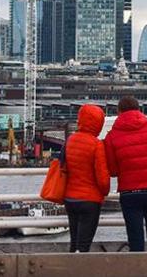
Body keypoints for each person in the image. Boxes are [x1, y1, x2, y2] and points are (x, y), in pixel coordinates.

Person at [103, 95, 147, 252]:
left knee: (135, 239)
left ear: (119, 111)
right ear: (139, 109)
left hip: (130, 193)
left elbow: (113, 171)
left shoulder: (111, 136)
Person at [61, 103, 111, 252]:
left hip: (70, 198)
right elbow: (102, 178)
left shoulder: (69, 141)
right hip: (90, 200)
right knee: (84, 245)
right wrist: (104, 192)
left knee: (74, 241)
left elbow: (63, 167)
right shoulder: (97, 145)